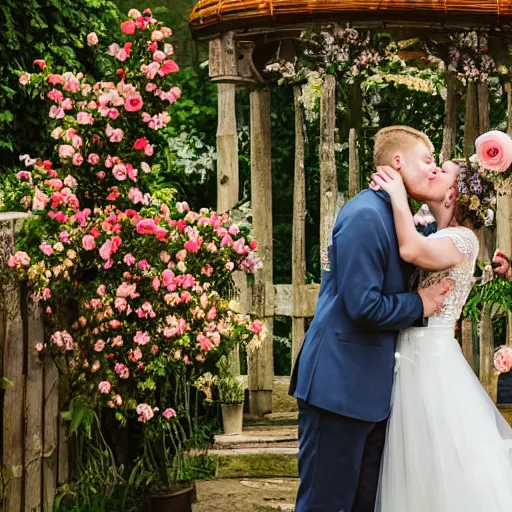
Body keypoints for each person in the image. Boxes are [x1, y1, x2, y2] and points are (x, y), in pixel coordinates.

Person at [289, 126, 453, 512]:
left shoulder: (397, 216)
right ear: (397, 162)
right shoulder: (364, 215)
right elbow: (362, 306)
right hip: (338, 387)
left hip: (371, 394)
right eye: (426, 160)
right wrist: (420, 304)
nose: (432, 170)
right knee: (326, 504)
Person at [372, 164, 512, 512]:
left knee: (440, 462)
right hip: (413, 353)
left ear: (453, 193)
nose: (433, 171)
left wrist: (397, 197)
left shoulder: (462, 238)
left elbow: (411, 252)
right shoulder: (440, 234)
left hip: (430, 361)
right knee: (416, 465)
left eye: (443, 171)